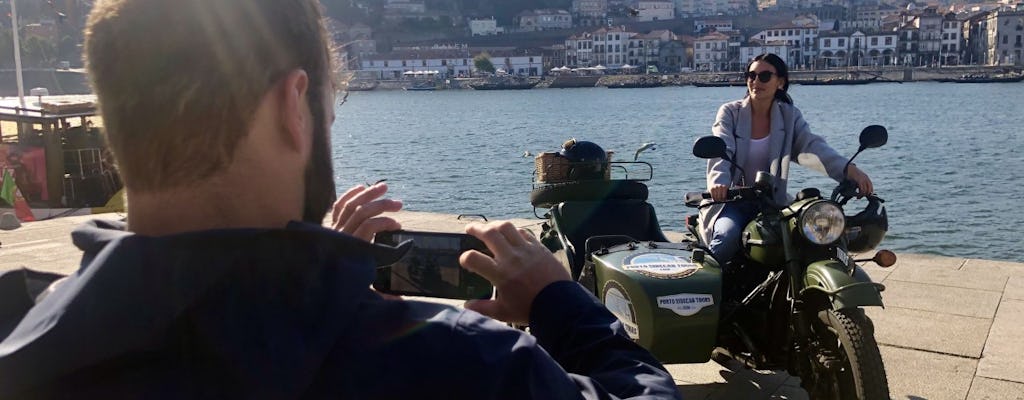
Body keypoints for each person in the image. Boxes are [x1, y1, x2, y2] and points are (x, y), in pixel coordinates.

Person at [0, 0, 681, 398]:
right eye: (332, 105)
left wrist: (323, 286)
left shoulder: (25, 330)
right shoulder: (465, 366)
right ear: (294, 107)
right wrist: (560, 305)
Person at [702, 53, 873, 264]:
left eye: (764, 76)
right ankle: (703, 290)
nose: (756, 82)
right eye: (751, 75)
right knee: (726, 237)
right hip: (732, 201)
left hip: (773, 203)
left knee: (814, 237)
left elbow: (812, 147)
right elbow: (722, 147)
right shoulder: (730, 112)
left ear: (780, 82)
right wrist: (719, 182)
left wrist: (849, 170)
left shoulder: (789, 116)